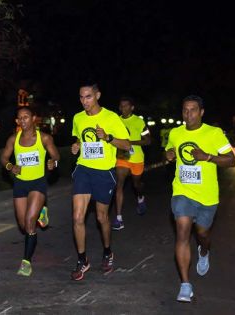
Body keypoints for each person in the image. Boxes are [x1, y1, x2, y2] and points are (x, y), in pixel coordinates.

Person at [165, 95, 235, 302]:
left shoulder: (213, 134)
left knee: (203, 234)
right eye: (185, 110)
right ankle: (185, 285)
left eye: (193, 110)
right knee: (182, 230)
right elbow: (169, 149)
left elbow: (231, 161)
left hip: (207, 196)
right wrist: (168, 155)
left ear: (201, 112)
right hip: (182, 192)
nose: (188, 114)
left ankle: (204, 251)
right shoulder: (176, 133)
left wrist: (208, 157)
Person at [70, 82, 130, 281]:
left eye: (88, 96)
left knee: (101, 218)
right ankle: (82, 259)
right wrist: (76, 146)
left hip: (104, 172)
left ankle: (107, 251)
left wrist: (108, 137)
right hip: (83, 169)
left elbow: (127, 144)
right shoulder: (78, 118)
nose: (84, 101)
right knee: (78, 216)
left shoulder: (111, 117)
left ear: (97, 95)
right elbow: (79, 139)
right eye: (81, 97)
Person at [0, 106, 60, 276]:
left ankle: (26, 262)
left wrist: (53, 164)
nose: (23, 121)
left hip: (37, 183)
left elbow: (56, 157)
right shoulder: (13, 139)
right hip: (20, 184)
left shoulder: (44, 138)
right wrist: (10, 166)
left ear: (34, 118)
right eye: (20, 118)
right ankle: (42, 210)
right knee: (22, 225)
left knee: (29, 222)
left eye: (26, 117)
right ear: (17, 121)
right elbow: (4, 158)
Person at [112, 96, 151, 231]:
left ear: (132, 107)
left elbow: (148, 141)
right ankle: (118, 218)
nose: (124, 108)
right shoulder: (115, 121)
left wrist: (130, 143)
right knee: (119, 184)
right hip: (122, 156)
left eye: (126, 106)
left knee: (136, 184)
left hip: (137, 158)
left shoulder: (139, 122)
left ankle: (140, 197)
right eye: (122, 106)